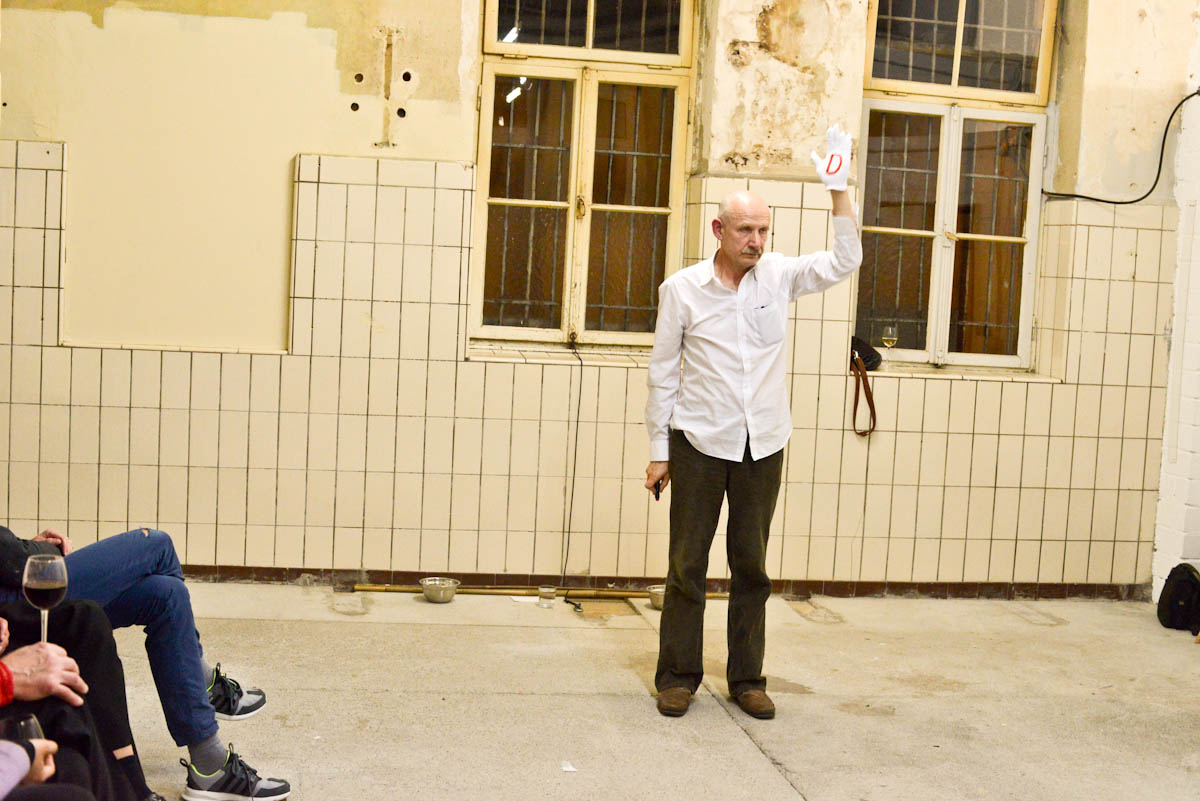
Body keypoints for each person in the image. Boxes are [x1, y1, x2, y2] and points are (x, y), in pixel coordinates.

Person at [644, 125, 862, 719]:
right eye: (745, 230)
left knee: (752, 567)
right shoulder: (682, 291)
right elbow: (662, 374)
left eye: (763, 230)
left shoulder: (778, 276)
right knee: (686, 566)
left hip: (763, 444)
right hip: (698, 442)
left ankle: (746, 679)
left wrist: (838, 188)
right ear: (719, 230)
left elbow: (846, 260)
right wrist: (660, 451)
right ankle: (677, 677)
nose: (756, 241)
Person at [0, 527, 289, 801]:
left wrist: (18, 547)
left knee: (166, 593)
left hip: (9, 573)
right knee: (156, 543)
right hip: (11, 598)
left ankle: (209, 764)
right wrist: (31, 551)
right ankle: (203, 685)